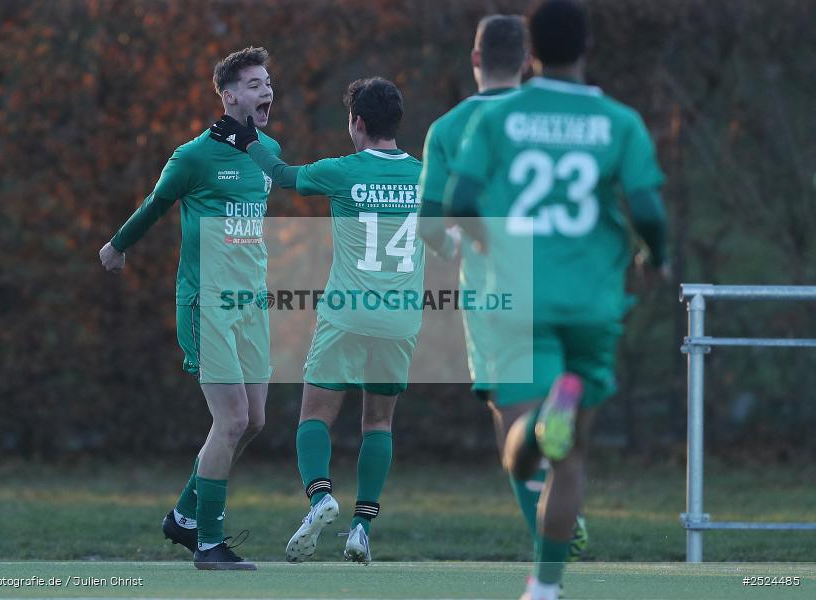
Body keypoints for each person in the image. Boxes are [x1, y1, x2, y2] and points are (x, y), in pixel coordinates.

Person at [445, 1, 669, 598]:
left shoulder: (496, 120)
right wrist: (656, 256)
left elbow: (461, 200)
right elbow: (646, 207)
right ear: (587, 45)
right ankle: (545, 589)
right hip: (593, 303)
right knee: (570, 456)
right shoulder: (619, 121)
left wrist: (489, 245)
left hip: (519, 301)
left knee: (523, 454)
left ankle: (544, 423)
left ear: (531, 52)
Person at [211, 77, 424, 565]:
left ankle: (320, 496)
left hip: (347, 313)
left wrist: (245, 139)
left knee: (314, 417)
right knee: (378, 423)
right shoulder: (423, 175)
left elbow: (284, 176)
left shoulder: (343, 170)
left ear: (358, 123)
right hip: (401, 322)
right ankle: (362, 527)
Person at [98, 46, 281, 571]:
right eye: (252, 83)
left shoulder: (268, 150)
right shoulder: (193, 156)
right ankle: (208, 543)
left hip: (253, 304)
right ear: (227, 96)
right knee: (231, 420)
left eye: (267, 82)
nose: (264, 90)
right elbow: (155, 204)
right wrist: (117, 246)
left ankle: (183, 516)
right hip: (208, 304)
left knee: (254, 422)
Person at [417, 14, 588, 563]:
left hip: (495, 289)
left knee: (509, 418)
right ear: (527, 62)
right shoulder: (558, 119)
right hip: (564, 279)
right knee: (542, 387)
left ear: (474, 61)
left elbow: (428, 226)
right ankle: (557, 490)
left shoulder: (448, 127)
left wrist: (456, 248)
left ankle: (553, 534)